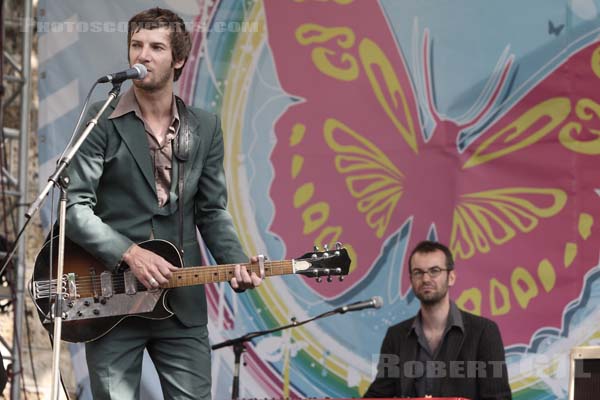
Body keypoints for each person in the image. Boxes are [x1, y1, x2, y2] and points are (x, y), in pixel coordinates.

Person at [64, 7, 262, 399]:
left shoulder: (204, 127)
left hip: (181, 303)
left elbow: (211, 211)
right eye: (136, 45)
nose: (143, 55)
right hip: (112, 300)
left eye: (156, 47)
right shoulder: (101, 118)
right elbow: (74, 209)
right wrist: (130, 253)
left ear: (179, 60)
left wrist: (235, 259)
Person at [364, 240, 512, 399]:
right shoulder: (396, 335)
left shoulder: (484, 332)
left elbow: (498, 398)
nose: (426, 279)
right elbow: (379, 395)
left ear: (451, 277)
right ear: (411, 279)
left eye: (434, 270)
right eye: (418, 272)